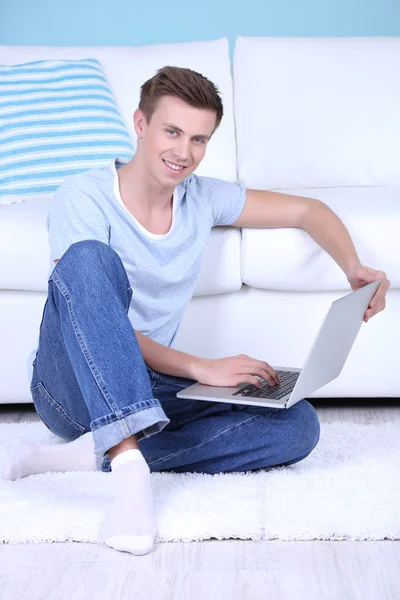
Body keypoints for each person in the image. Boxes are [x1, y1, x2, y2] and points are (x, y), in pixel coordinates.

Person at [3, 66, 389, 556]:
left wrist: (353, 267)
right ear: (140, 124)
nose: (183, 152)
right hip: (70, 386)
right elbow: (91, 314)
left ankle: (91, 452)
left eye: (199, 139)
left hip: (149, 384)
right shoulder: (83, 195)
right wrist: (199, 366)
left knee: (298, 425)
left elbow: (308, 211)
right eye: (172, 131)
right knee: (89, 259)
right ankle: (128, 470)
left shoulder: (201, 199)